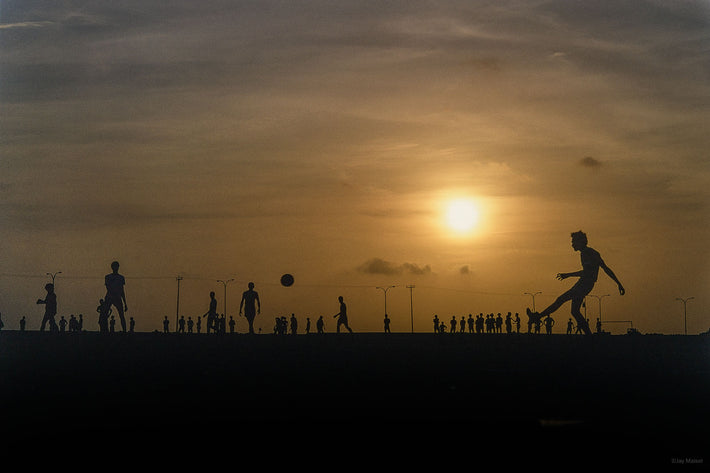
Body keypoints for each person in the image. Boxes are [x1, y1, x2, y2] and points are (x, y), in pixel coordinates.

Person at [527, 231, 625, 335]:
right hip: (585, 284)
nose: (572, 244)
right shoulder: (592, 253)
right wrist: (618, 283)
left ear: (581, 242)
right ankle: (589, 335)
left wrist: (568, 275)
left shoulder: (587, 253)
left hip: (584, 285)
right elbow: (605, 268)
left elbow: (587, 273)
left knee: (561, 299)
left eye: (574, 242)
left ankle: (537, 317)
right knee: (574, 311)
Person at [105, 261, 128, 332]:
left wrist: (125, 303)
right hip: (110, 297)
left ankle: (124, 330)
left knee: (121, 315)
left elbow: (122, 290)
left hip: (117, 297)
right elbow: (108, 287)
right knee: (104, 315)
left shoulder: (121, 278)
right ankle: (105, 330)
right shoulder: (108, 277)